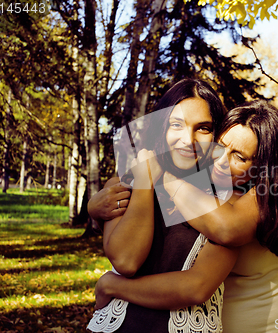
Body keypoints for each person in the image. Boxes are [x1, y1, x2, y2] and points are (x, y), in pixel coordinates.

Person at [90, 100, 278, 333]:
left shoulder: (262, 195)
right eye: (220, 146)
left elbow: (224, 233)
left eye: (239, 157)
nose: (221, 161)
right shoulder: (218, 187)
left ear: (262, 167)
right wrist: (98, 210)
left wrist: (163, 178)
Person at [87, 78, 235, 333]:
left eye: (203, 128)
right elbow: (126, 260)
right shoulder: (126, 183)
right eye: (176, 124)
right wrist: (145, 180)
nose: (187, 139)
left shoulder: (227, 198)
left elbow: (197, 288)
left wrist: (110, 286)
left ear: (216, 134)